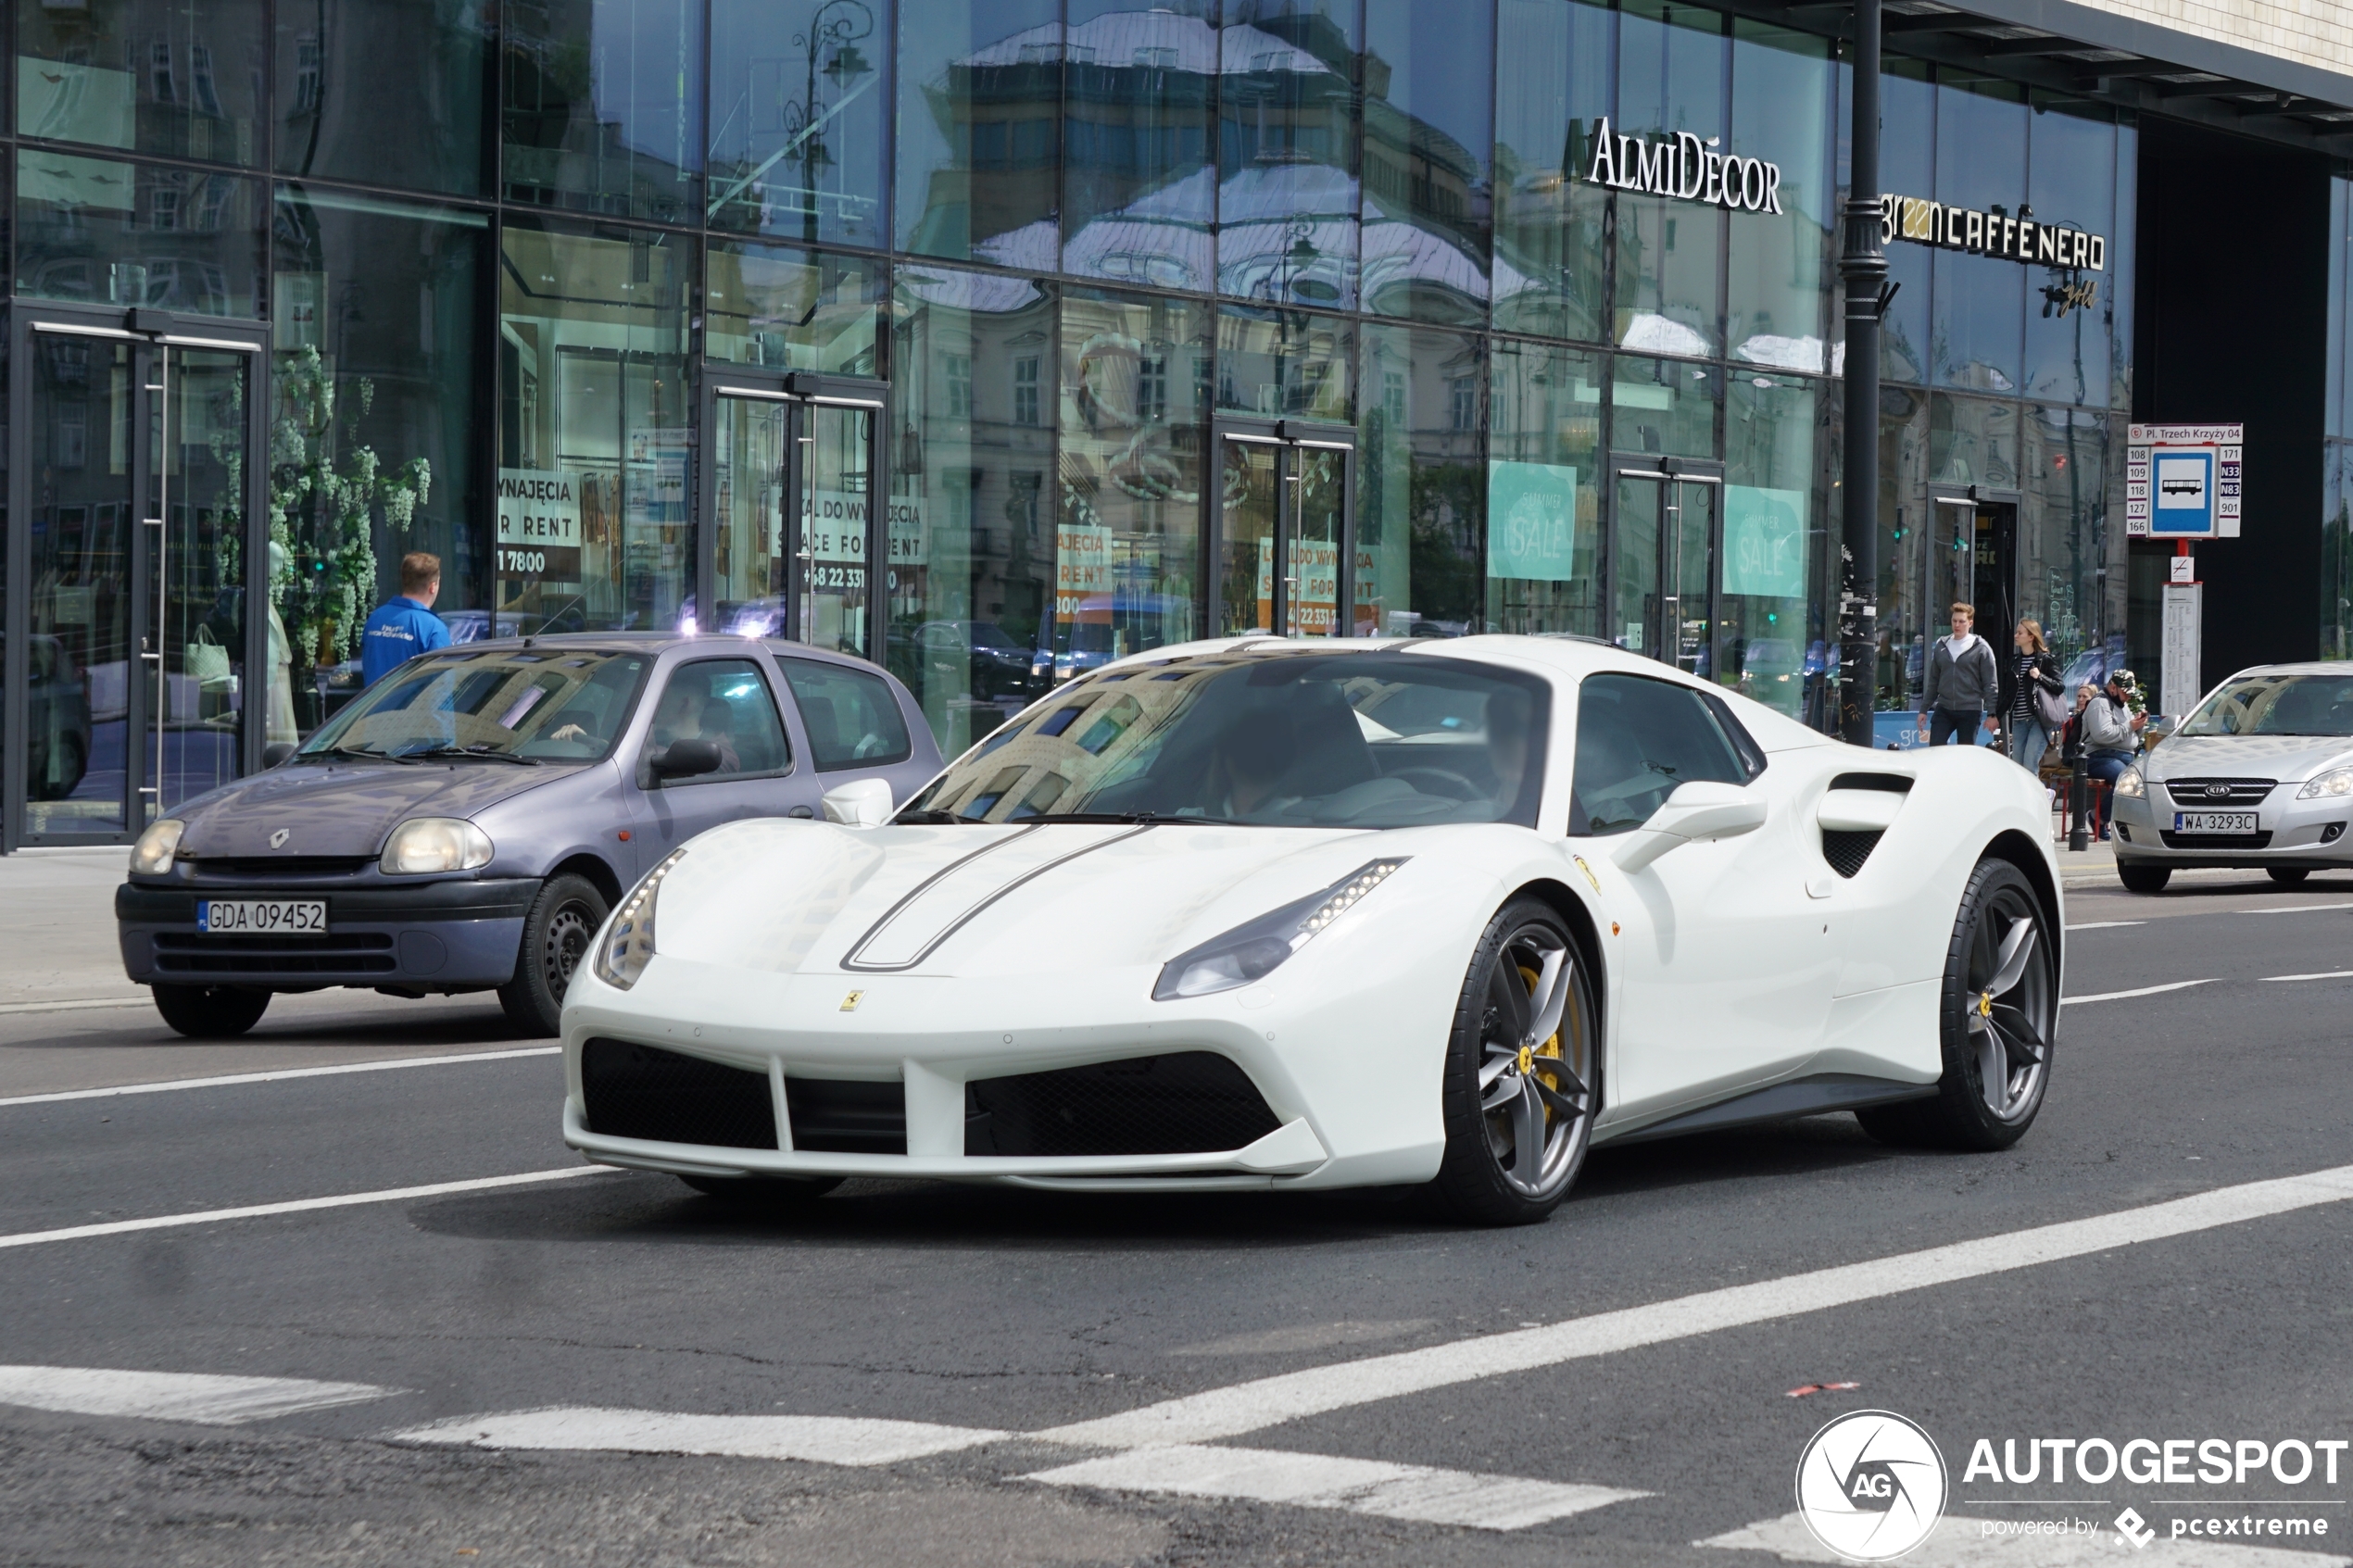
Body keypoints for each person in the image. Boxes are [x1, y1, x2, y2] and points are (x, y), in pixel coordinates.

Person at [359, 552, 451, 686]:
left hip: (373, 706)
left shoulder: (375, 618)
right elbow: (441, 688)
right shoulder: (434, 629)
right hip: (412, 708)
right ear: (432, 587)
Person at [1918, 601, 2000, 747]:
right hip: (1944, 707)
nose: (1957, 625)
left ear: (1970, 623)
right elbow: (1933, 681)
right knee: (1935, 749)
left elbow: (1990, 684)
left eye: (1961, 621)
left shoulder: (1981, 648)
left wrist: (1992, 713)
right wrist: (1924, 709)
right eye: (1954, 621)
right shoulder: (1942, 646)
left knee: (1964, 753)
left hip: (1970, 709)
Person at [2075, 672, 2146, 839]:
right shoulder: (2100, 704)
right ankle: (2097, 818)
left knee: (2143, 783)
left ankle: (2113, 821)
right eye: (2125, 692)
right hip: (2098, 756)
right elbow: (2103, 735)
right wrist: (2130, 726)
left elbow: (2130, 735)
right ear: (2113, 687)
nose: (2128, 697)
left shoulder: (2122, 705)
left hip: (2121, 756)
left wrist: (2139, 725)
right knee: (2127, 781)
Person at [1999, 619, 2066, 773]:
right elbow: (2009, 693)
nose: (2016, 635)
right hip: (2019, 721)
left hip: (2039, 719)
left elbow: (2059, 686)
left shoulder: (2045, 659)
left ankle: (2037, 796)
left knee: (2030, 764)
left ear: (2031, 637)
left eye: (2020, 633)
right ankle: (2040, 794)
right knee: (2017, 766)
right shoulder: (2015, 661)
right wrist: (1996, 715)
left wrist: (2040, 676)